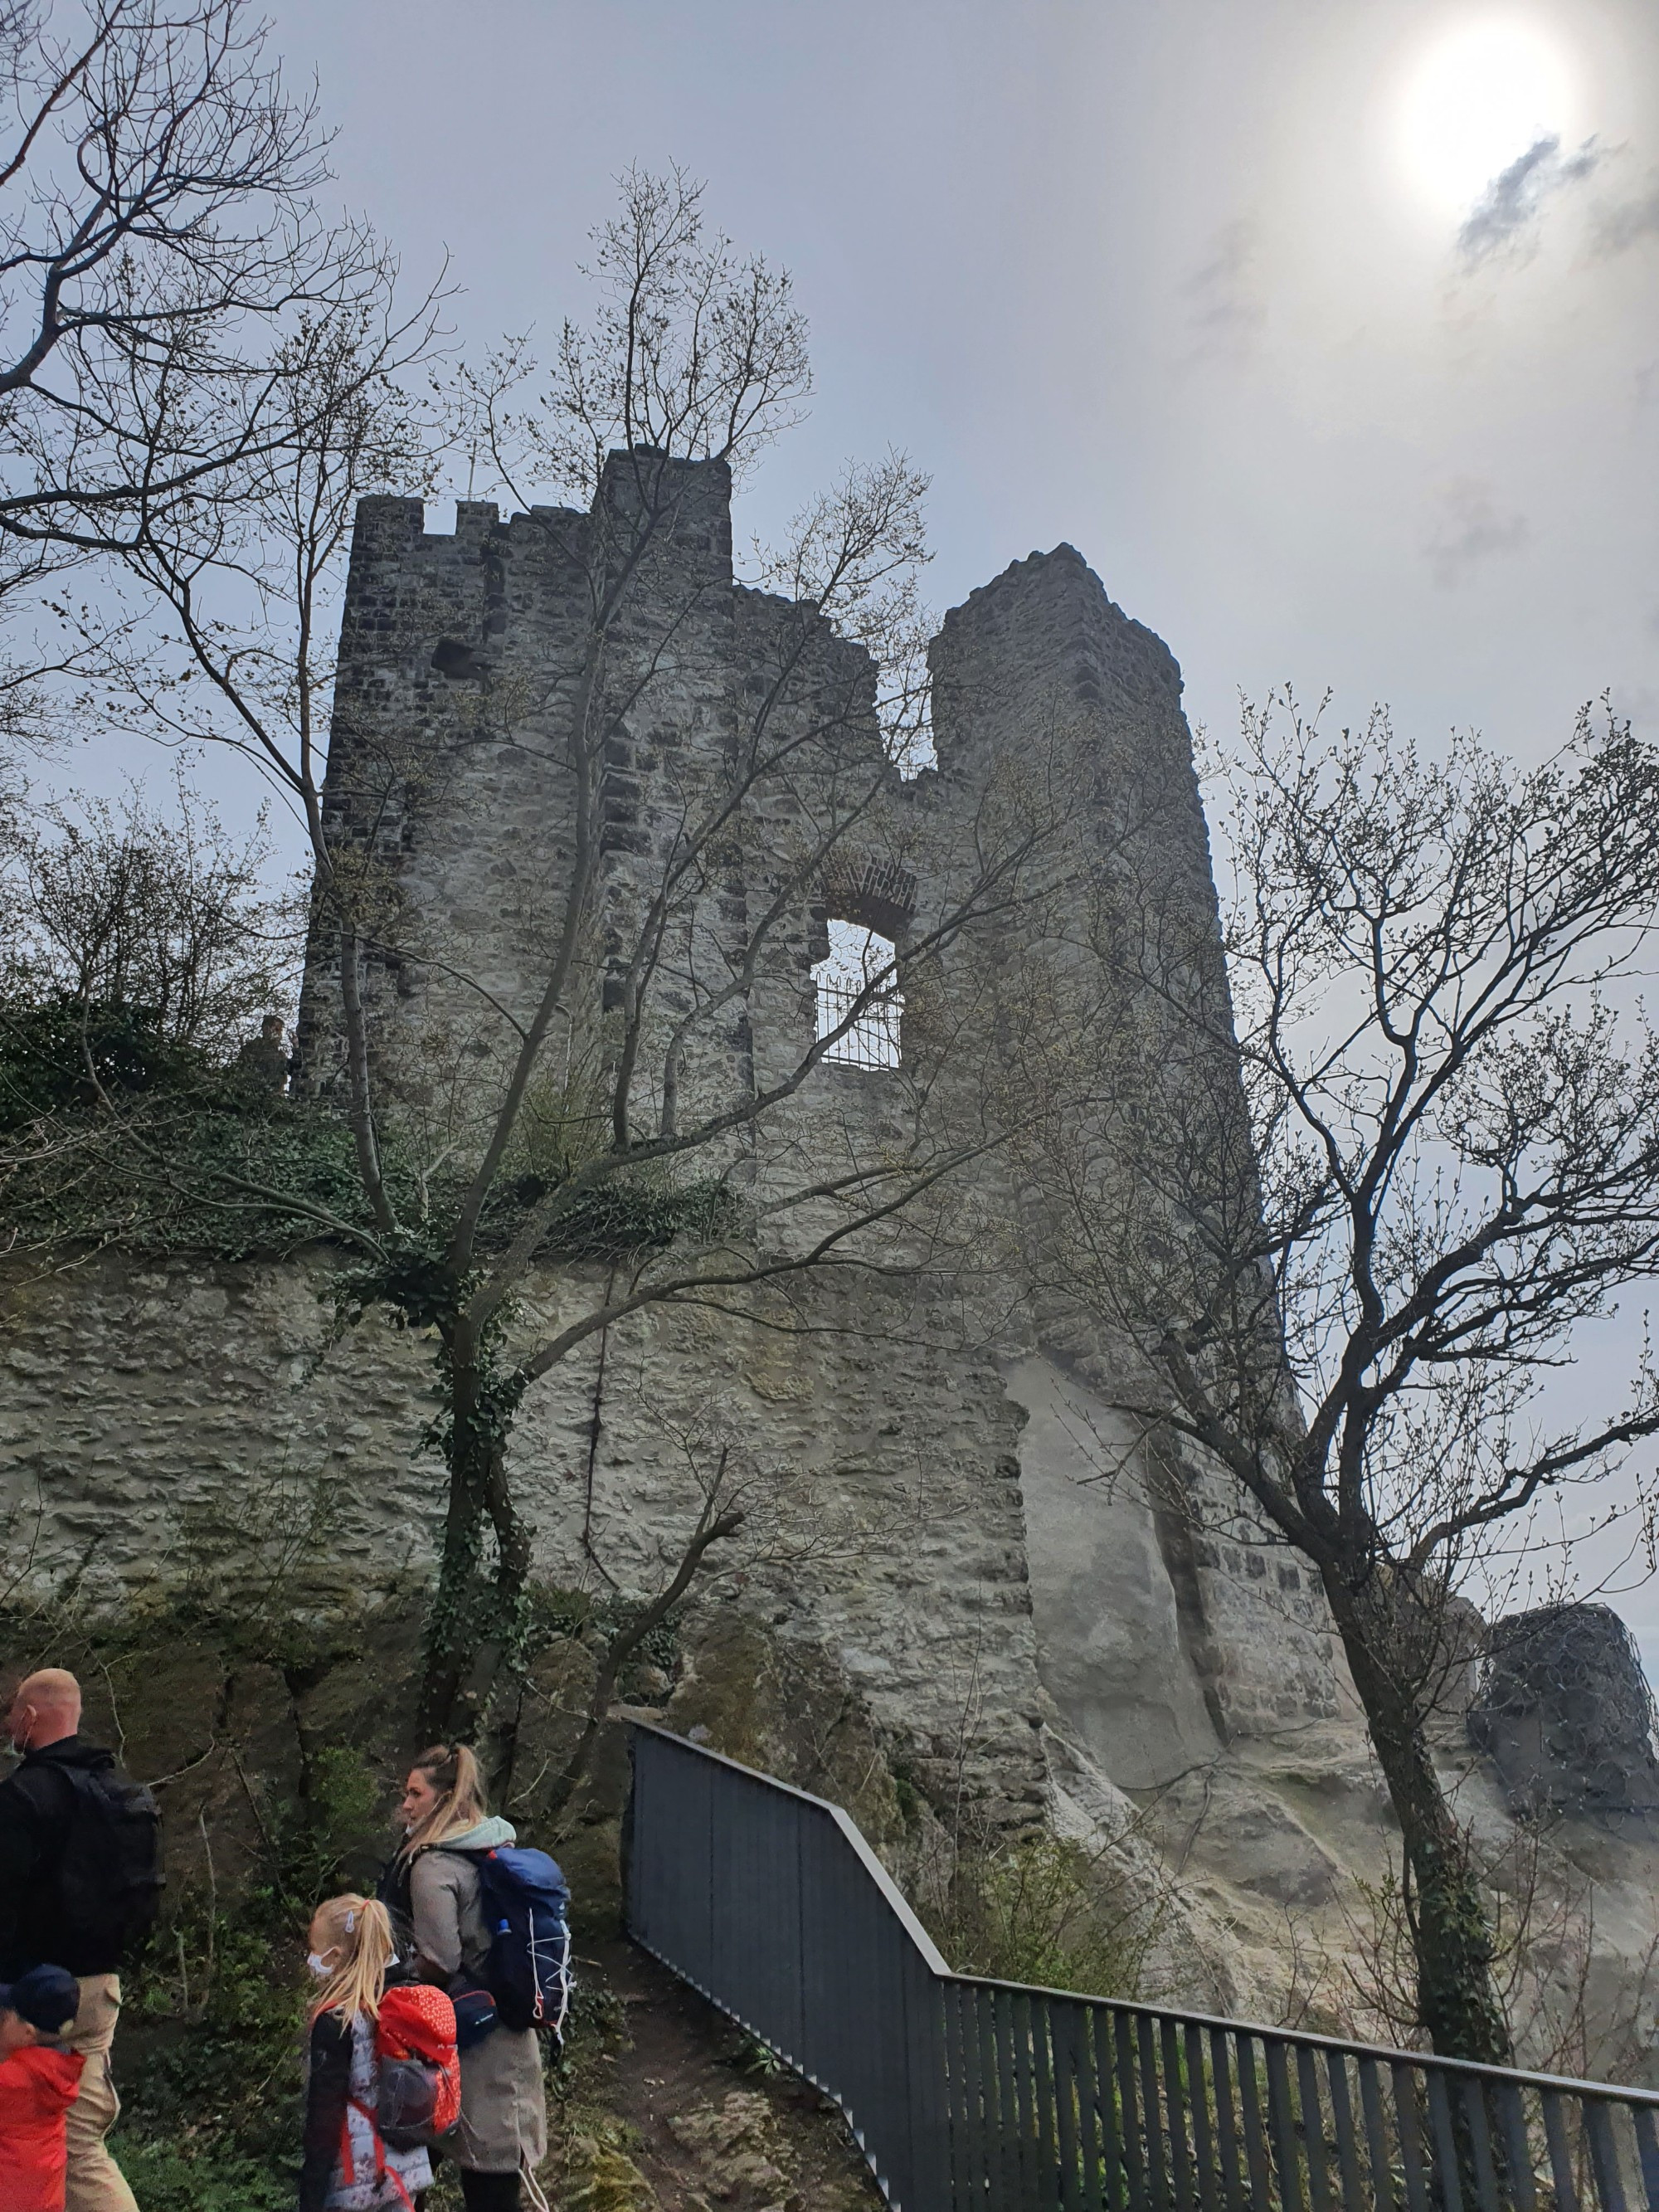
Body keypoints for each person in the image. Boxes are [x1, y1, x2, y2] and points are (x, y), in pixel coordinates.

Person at [0, 1669, 150, 2212]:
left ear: (31, 1718)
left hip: (27, 2000)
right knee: (82, 2145)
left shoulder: (21, 1798)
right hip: (99, 1991)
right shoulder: (124, 1793)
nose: (11, 1724)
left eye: (14, 1713)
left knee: (16, 2144)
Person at [382, 1747, 547, 2212]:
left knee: (471, 2181)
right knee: (494, 2176)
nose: (407, 1804)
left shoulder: (432, 1864)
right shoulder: (493, 1843)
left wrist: (396, 1973)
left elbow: (441, 1958)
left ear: (445, 1798)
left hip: (472, 2043)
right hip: (513, 2028)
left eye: (416, 1793)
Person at [299, 1894, 434, 2212]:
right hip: (406, 2168)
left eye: (315, 1950)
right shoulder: (404, 2003)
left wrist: (311, 2195)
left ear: (335, 1956)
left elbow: (324, 2117)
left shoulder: (336, 2022)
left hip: (357, 2179)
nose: (311, 1959)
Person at [0, 1965, 85, 2212]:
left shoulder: (12, 2081)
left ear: (27, 2033)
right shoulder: (60, 2069)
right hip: (44, 2199)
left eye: (6, 2017)